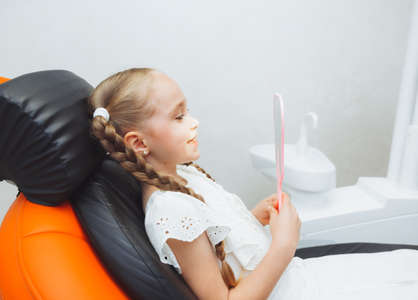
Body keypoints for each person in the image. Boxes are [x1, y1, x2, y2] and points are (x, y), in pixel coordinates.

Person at [88, 67, 418, 299]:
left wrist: (250, 217)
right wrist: (284, 245)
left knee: (404, 268)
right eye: (179, 116)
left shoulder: (182, 173)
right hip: (291, 291)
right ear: (139, 144)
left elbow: (214, 243)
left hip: (295, 279)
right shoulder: (171, 210)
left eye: (188, 111)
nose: (194, 122)